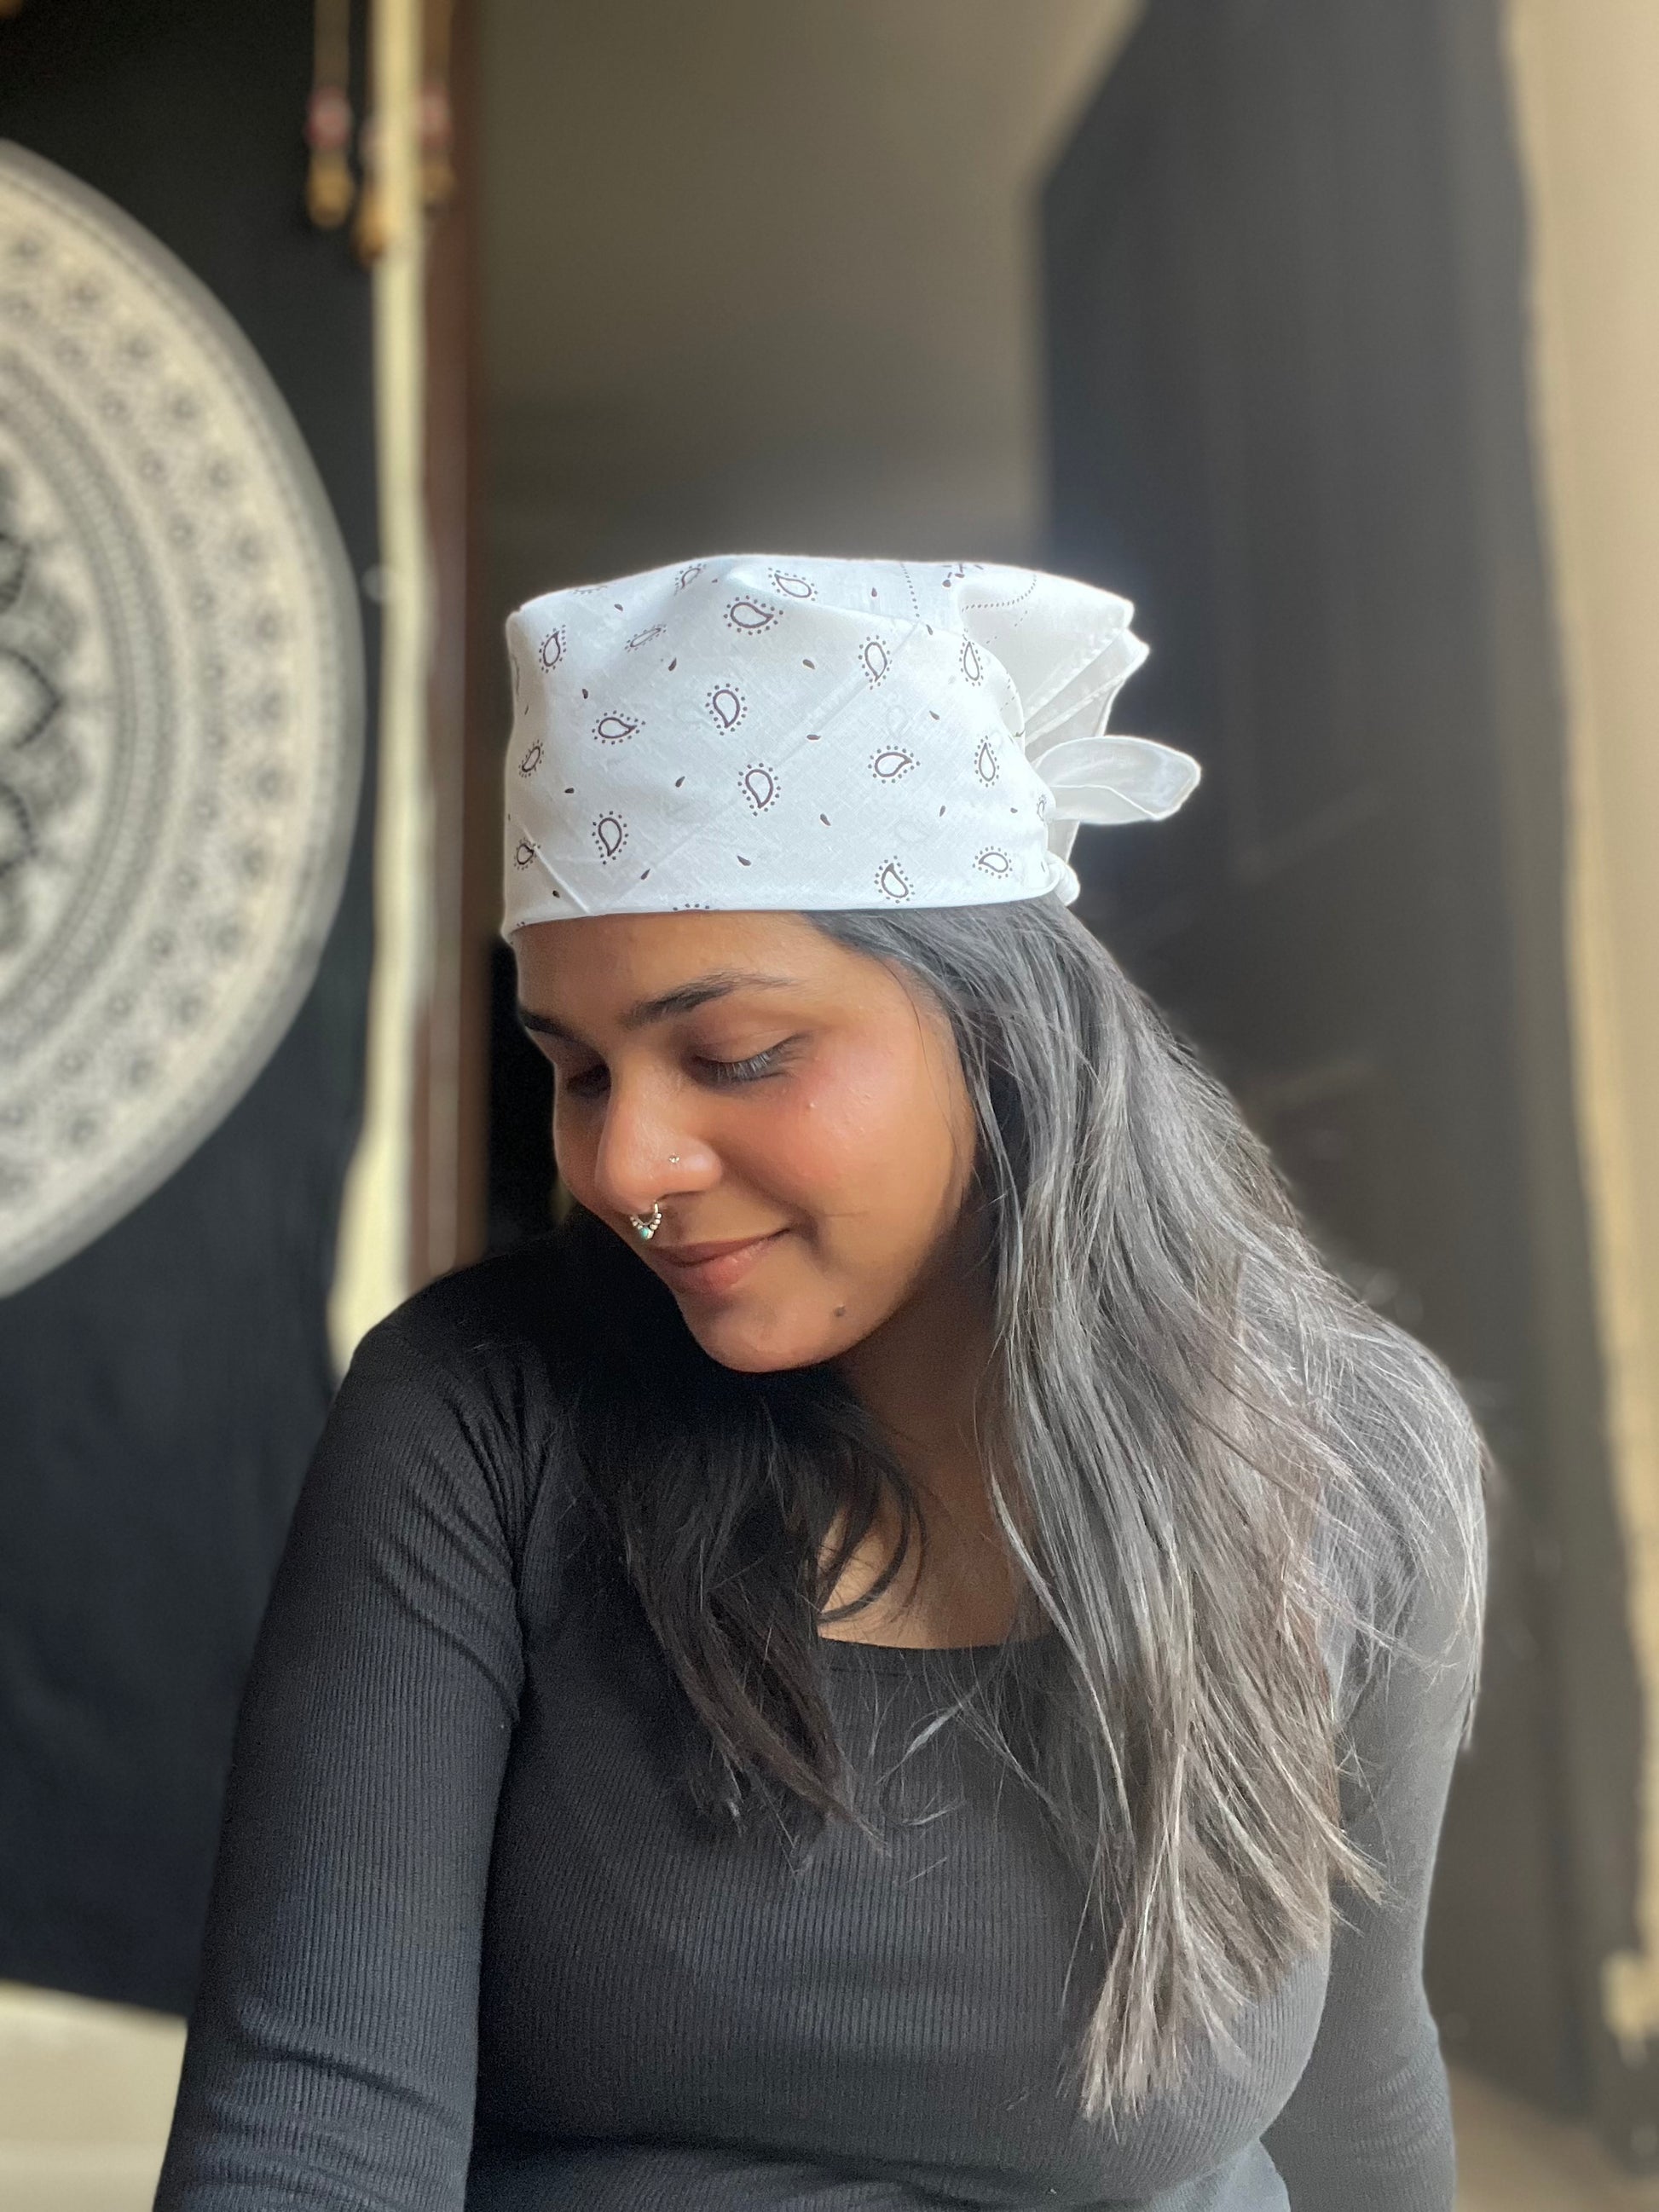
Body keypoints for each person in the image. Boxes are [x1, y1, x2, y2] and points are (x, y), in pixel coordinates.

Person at [154, 554, 1488, 2211]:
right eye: (578, 1071)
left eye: (734, 1055)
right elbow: (312, 2125)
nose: (621, 1164)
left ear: (999, 1028)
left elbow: (1356, 2073)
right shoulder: (477, 1415)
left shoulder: (1354, 1459)